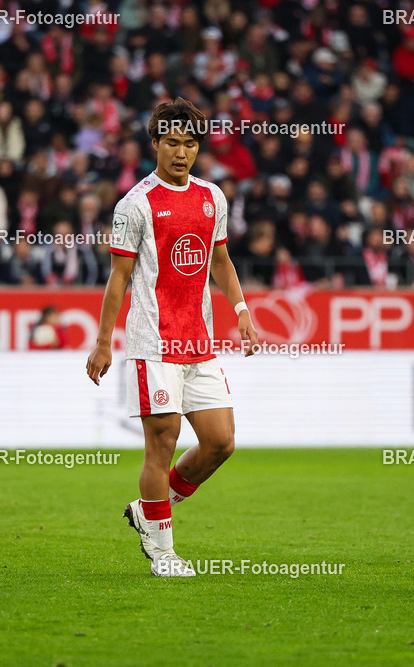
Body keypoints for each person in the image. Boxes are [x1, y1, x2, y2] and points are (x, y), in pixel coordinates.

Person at [86, 98, 260, 577]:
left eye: (189, 143)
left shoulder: (212, 197)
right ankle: (163, 552)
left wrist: (241, 309)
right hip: (153, 343)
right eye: (171, 143)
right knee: (162, 444)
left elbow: (220, 262)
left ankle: (149, 510)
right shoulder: (135, 204)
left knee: (221, 443)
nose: (181, 152)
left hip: (199, 342)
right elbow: (118, 277)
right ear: (156, 144)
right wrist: (104, 342)